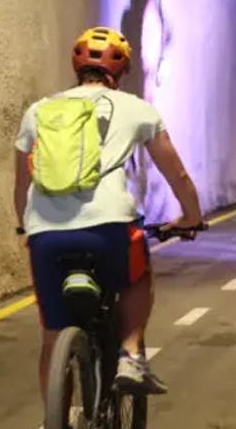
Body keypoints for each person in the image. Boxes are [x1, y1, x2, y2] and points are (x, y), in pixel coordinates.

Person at [13, 26, 203, 399]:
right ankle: (131, 353)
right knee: (137, 277)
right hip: (110, 227)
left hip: (47, 233)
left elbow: (22, 184)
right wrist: (191, 217)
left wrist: (26, 226)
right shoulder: (136, 109)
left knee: (52, 336)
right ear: (121, 70)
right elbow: (176, 173)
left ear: (76, 65)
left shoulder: (39, 111)